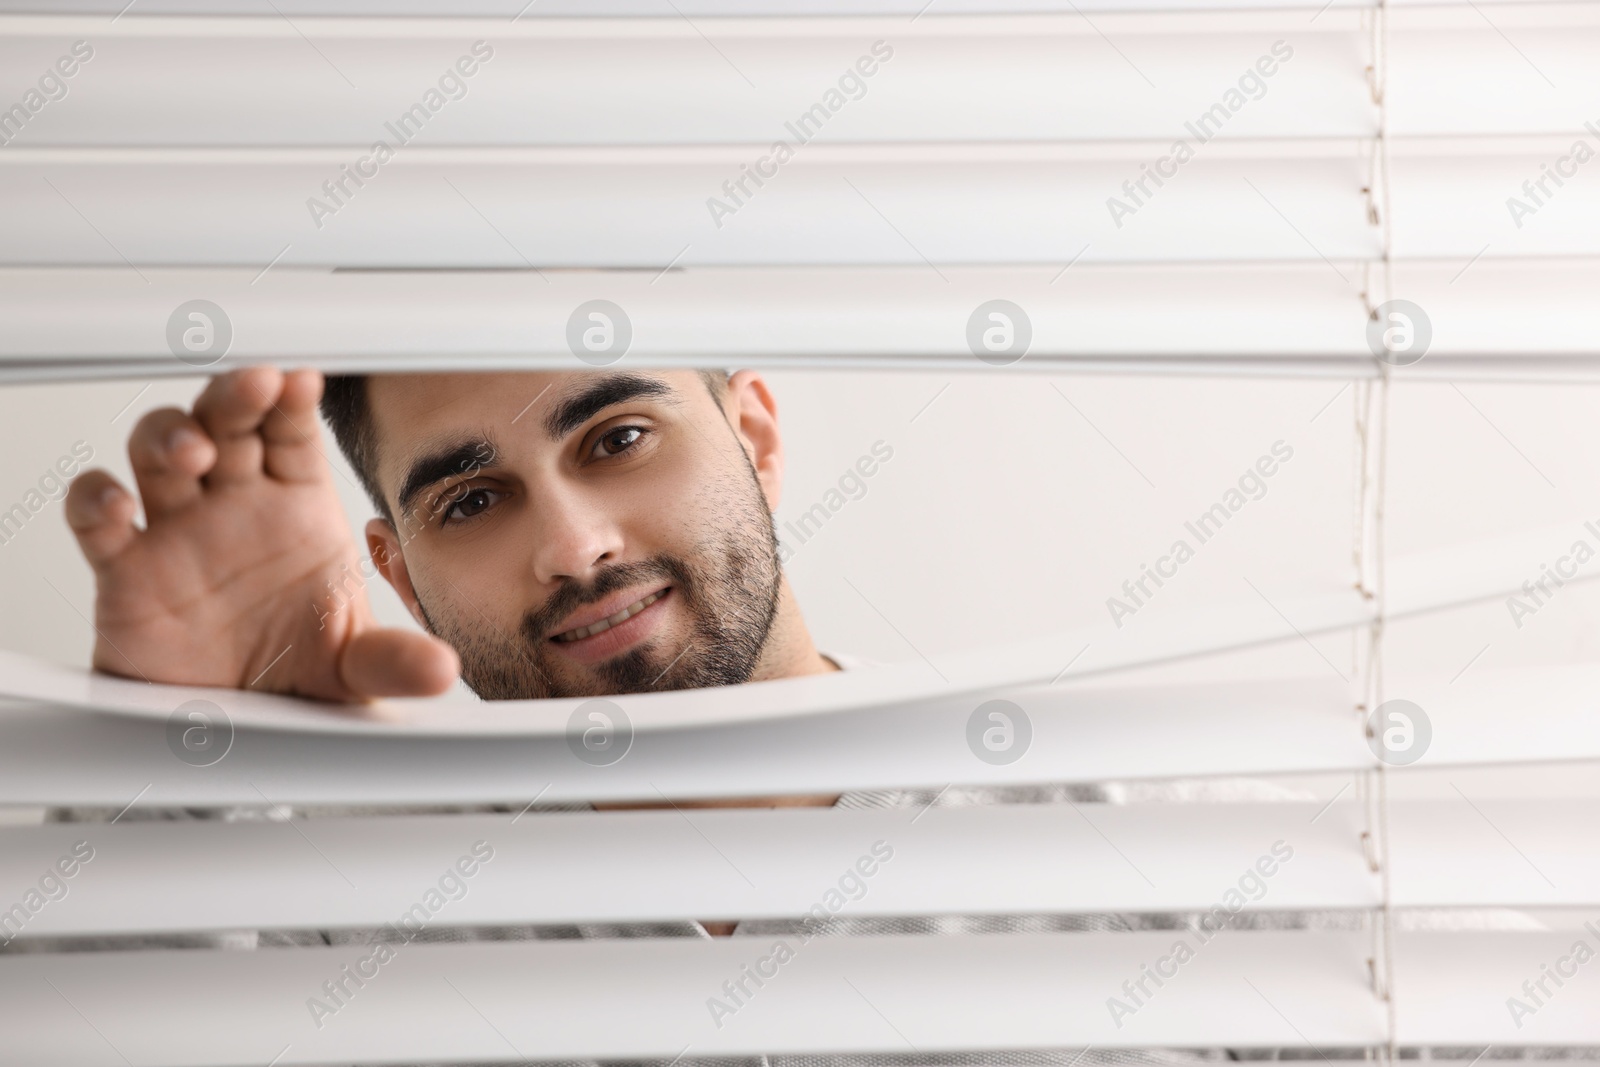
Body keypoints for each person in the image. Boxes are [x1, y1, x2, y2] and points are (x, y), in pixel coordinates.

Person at [63, 365, 853, 704]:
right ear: (401, 578)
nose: (574, 549)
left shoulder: (974, 828)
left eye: (617, 439)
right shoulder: (329, 886)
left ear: (754, 437)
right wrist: (181, 760)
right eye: (471, 502)